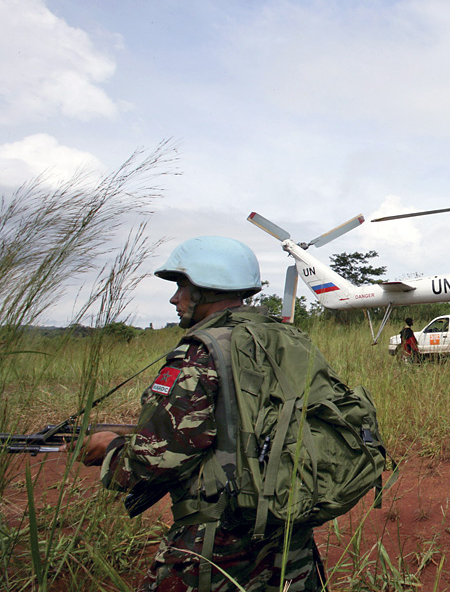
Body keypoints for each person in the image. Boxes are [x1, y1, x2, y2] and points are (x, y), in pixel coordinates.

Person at [75, 236, 327, 592]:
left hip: (219, 547)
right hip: (291, 541)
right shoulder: (286, 339)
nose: (174, 298)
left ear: (208, 289)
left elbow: (152, 462)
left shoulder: (200, 355)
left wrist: (110, 449)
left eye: (181, 286)